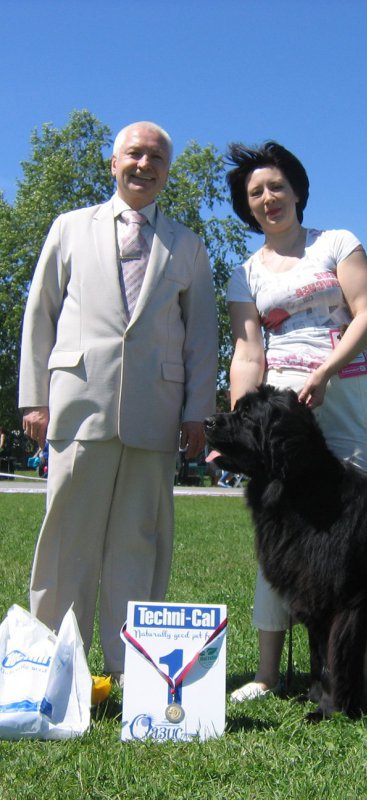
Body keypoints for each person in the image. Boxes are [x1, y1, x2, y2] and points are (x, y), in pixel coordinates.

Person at [18, 121, 218, 679]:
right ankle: (54, 671)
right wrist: (34, 398)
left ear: (167, 172)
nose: (144, 164)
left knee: (139, 543)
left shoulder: (188, 245)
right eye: (134, 153)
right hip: (78, 403)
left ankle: (135, 673)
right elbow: (41, 314)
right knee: (66, 542)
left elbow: (203, 336)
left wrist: (197, 411)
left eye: (156, 157)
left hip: (156, 415)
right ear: (113, 163)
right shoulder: (69, 228)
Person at [225, 141, 367, 706]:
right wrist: (240, 425)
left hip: (346, 396)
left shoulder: (337, 243)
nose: (267, 199)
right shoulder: (245, 273)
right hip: (284, 418)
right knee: (281, 534)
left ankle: (360, 676)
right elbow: (248, 353)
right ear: (247, 208)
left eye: (276, 187)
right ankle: (268, 673)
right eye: (255, 194)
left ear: (298, 191)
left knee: (356, 540)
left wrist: (326, 370)